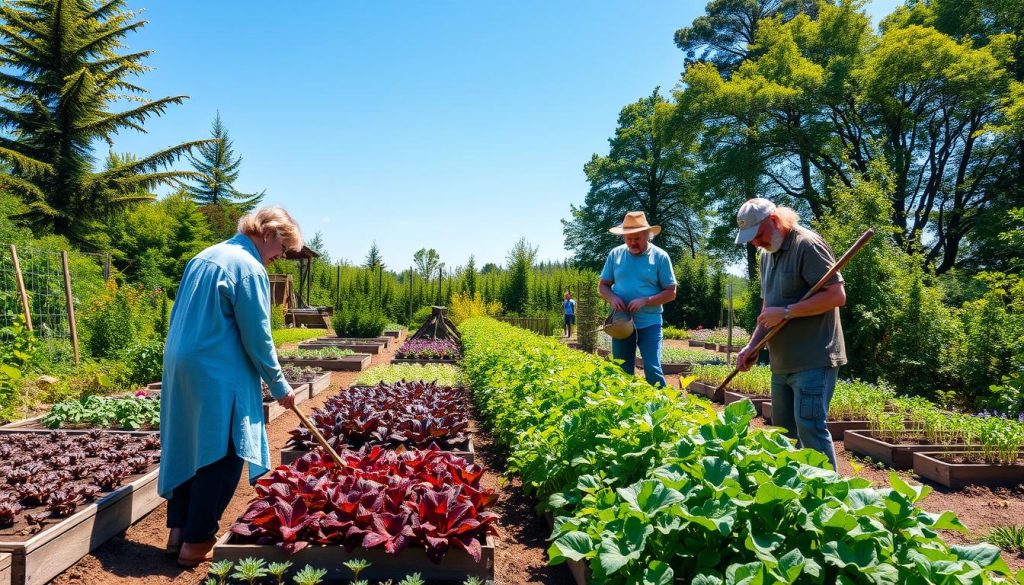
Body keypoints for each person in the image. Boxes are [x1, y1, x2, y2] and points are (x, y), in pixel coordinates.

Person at [159, 206, 304, 566]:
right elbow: (258, 337)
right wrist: (279, 384)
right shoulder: (248, 267)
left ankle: (177, 532)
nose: (278, 259)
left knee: (189, 443)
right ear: (269, 234)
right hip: (215, 367)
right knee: (223, 452)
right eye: (282, 249)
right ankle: (197, 541)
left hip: (182, 363)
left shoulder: (205, 256)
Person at [733, 198, 847, 470]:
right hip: (781, 361)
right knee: (784, 434)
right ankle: (795, 495)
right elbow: (766, 309)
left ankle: (828, 499)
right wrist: (753, 346)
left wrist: (786, 312)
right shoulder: (766, 255)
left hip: (813, 358)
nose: (755, 243)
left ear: (774, 221)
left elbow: (836, 295)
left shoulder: (806, 245)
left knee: (811, 430)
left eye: (758, 235)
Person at [599, 211, 677, 387]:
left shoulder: (660, 257)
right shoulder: (615, 255)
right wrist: (612, 298)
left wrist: (645, 300)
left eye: (637, 239)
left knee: (652, 368)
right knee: (621, 370)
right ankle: (625, 410)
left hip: (650, 322)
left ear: (647, 236)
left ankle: (661, 408)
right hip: (621, 322)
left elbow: (671, 292)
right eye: (629, 239)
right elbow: (603, 286)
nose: (633, 243)